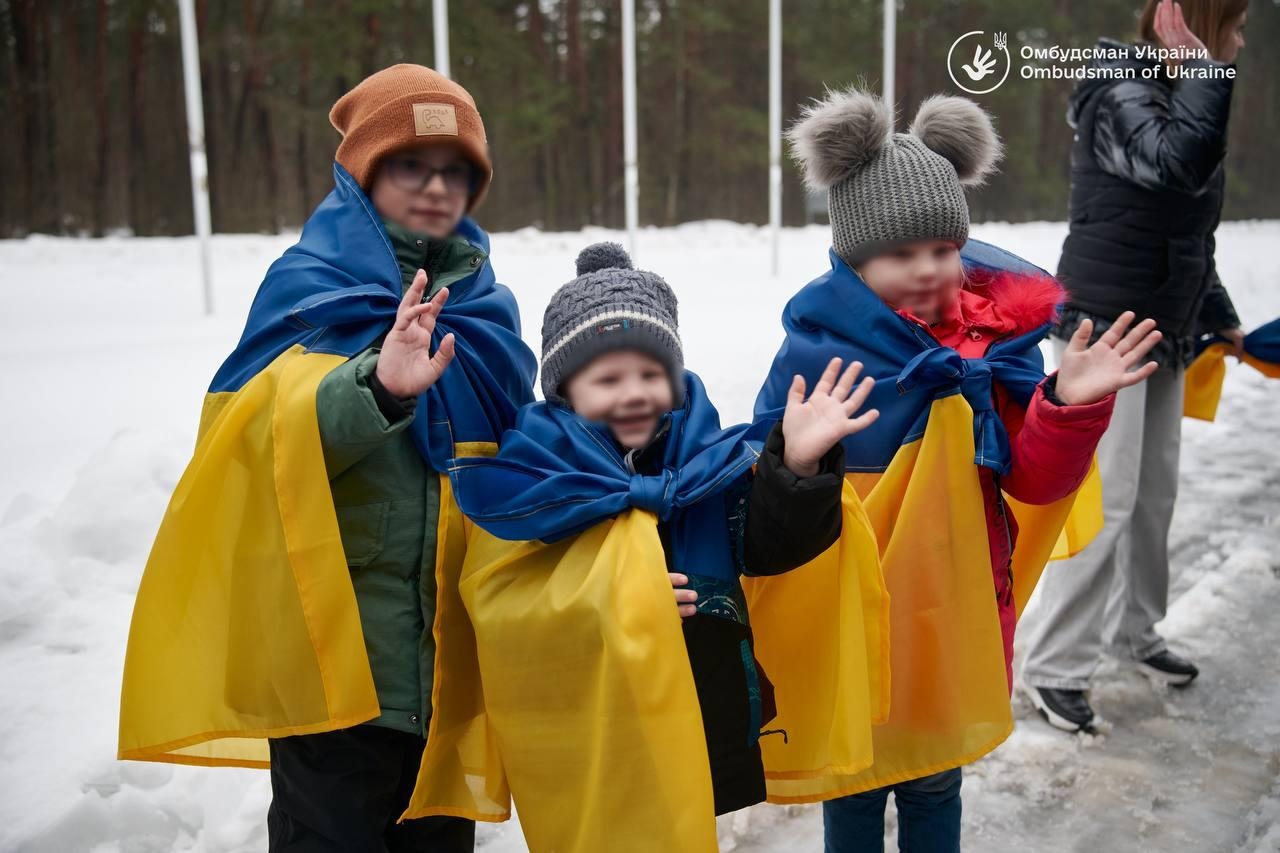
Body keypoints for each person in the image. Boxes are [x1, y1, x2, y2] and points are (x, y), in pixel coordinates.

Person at [118, 64, 537, 852]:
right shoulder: (308, 286)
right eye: (409, 165)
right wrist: (376, 386)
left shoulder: (486, 308)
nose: (436, 187)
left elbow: (520, 473)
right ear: (361, 174)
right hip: (333, 674)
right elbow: (247, 447)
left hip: (449, 675)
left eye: (456, 170)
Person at [748, 86, 1162, 852]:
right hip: (858, 624)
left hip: (955, 613)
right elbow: (760, 501)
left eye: (942, 249)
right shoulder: (815, 352)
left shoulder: (992, 350)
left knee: (937, 780)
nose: (928, 270)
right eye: (900, 254)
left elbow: (1032, 483)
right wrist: (796, 456)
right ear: (854, 258)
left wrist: (1065, 406)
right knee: (856, 784)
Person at [436, 242, 885, 851]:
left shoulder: (707, 463)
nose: (634, 394)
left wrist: (798, 468)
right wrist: (616, 591)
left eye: (652, 375)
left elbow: (768, 548)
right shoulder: (534, 480)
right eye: (608, 379)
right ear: (565, 390)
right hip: (591, 727)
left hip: (698, 714)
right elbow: (501, 605)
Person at [1019, 0, 1249, 732]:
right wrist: (1208, 75)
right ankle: (1054, 665)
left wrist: (1217, 311)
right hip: (1106, 328)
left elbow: (1186, 229)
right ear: (1194, 22)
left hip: (1167, 325)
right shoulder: (1120, 88)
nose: (1242, 39)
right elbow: (1175, 167)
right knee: (1106, 498)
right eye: (1234, 24)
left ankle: (1133, 630)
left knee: (1153, 498)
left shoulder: (1183, 94)